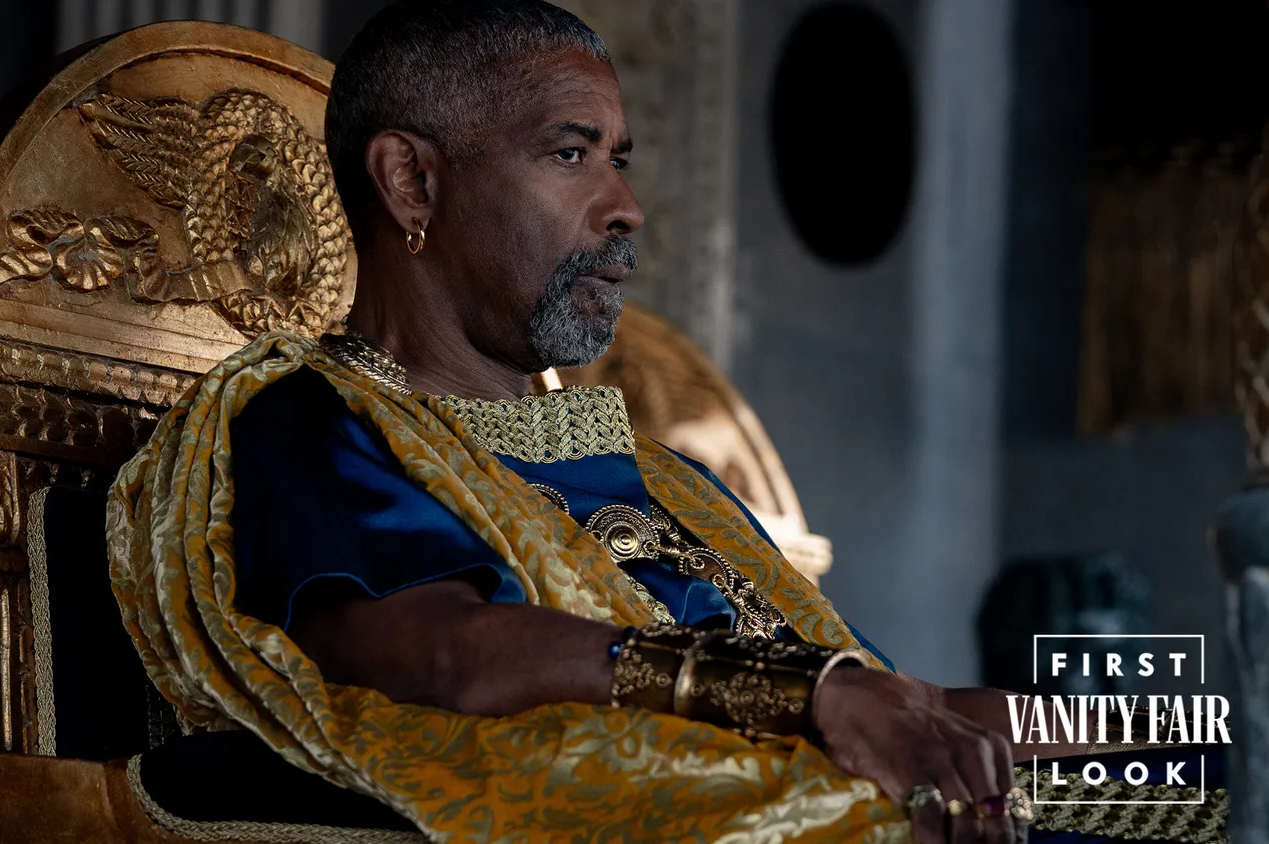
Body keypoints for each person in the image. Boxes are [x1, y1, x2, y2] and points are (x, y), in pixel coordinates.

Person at [105, 2, 1117, 842]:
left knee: (1173, 786)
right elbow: (443, 656)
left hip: (832, 790)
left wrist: (1160, 720)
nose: (625, 205)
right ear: (411, 180)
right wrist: (809, 694)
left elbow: (905, 704)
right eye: (570, 152)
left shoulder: (672, 481)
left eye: (617, 159)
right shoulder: (309, 420)